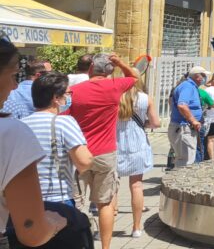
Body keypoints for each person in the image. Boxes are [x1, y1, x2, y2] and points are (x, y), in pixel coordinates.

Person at [0, 39, 68, 246]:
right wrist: (56, 222)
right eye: (13, 75)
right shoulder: (11, 133)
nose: (15, 86)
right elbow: (32, 231)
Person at [67, 53, 139, 249]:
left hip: (79, 153)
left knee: (76, 203)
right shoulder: (114, 86)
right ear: (109, 71)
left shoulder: (73, 91)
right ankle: (105, 247)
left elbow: (64, 117)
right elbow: (134, 77)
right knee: (105, 204)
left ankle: (78, 244)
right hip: (105, 153)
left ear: (90, 68)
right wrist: (120, 62)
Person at [22, 72, 94, 207]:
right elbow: (84, 161)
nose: (69, 98)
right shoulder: (64, 122)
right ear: (56, 98)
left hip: (26, 199)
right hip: (58, 198)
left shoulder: (21, 124)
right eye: (67, 94)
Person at [115, 78, 159, 238]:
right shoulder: (145, 98)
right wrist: (144, 124)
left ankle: (108, 224)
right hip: (137, 145)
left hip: (115, 143)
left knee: (112, 188)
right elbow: (156, 123)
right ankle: (136, 228)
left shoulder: (113, 96)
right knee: (136, 186)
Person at [167, 67, 208, 169]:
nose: (205, 78)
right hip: (184, 128)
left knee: (187, 159)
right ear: (197, 76)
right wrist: (193, 120)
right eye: (204, 75)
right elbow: (182, 105)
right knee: (186, 162)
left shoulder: (191, 86)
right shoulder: (187, 87)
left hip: (186, 128)